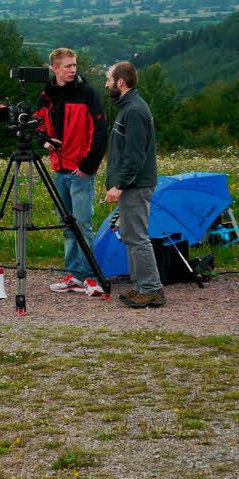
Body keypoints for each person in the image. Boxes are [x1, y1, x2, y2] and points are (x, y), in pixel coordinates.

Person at [34, 48, 108, 297]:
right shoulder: (47, 95)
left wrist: (88, 167)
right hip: (59, 169)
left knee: (83, 225)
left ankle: (89, 277)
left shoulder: (88, 94)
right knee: (67, 227)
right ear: (54, 68)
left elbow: (100, 133)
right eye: (67, 66)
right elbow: (35, 124)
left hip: (80, 171)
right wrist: (43, 141)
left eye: (74, 65)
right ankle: (75, 275)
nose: (73, 69)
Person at [103, 62, 162, 308]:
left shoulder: (135, 111)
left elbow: (134, 155)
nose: (106, 83)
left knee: (137, 237)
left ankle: (151, 290)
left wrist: (119, 185)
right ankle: (140, 287)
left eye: (108, 78)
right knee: (130, 236)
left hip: (135, 186)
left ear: (120, 82)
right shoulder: (127, 108)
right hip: (131, 185)